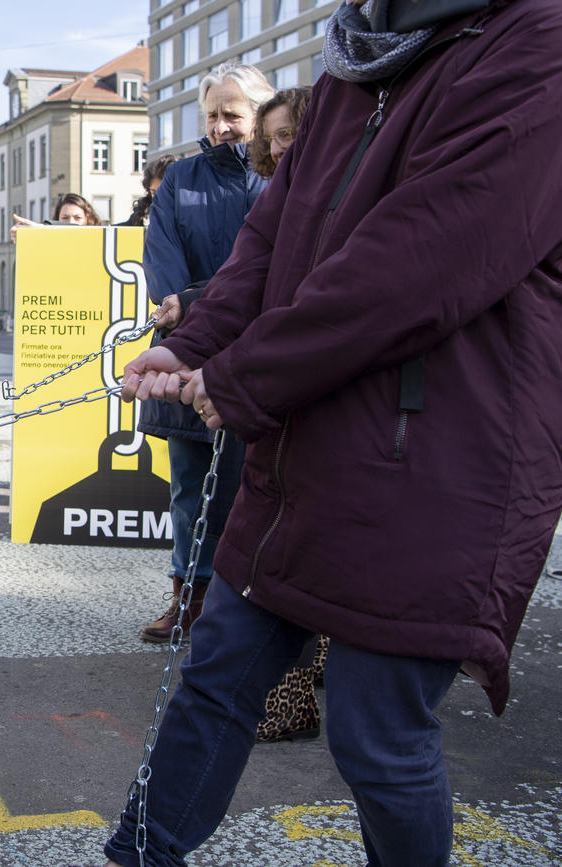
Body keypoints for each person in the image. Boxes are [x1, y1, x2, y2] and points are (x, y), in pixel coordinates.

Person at [104, 0, 562, 864]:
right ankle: (138, 856)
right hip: (307, 444)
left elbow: (422, 258)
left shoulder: (551, 39)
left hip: (439, 456)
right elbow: (269, 243)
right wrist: (189, 343)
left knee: (377, 733)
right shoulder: (356, 58)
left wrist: (244, 376)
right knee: (215, 676)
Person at [134, 61, 273, 644]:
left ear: (260, 117)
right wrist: (185, 310)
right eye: (212, 115)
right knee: (192, 488)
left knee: (261, 487)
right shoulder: (181, 180)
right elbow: (162, 266)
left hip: (264, 354)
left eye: (232, 115)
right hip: (187, 354)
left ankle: (256, 610)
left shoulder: (282, 179)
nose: (221, 126)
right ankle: (187, 599)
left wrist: (200, 305)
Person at [248, 84, 325, 745]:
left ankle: (293, 700)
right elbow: (241, 278)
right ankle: (287, 694)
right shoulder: (274, 202)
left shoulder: (336, 204)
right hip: (273, 398)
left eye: (290, 135)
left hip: (317, 395)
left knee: (304, 556)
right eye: (270, 137)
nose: (279, 148)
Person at [249, 86, 312, 180]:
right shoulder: (277, 192)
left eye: (285, 134)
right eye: (268, 140)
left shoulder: (339, 187)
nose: (274, 150)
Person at [10, 192, 102, 239]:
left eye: (77, 218)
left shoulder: (101, 242)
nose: (71, 222)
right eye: (65, 218)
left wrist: (39, 230)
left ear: (87, 218)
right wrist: (27, 235)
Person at [119, 154, 177, 227]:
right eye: (153, 192)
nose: (157, 198)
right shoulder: (139, 219)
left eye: (164, 192)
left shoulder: (189, 220)